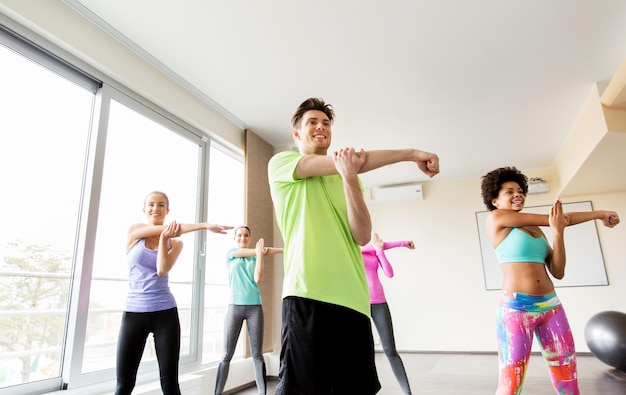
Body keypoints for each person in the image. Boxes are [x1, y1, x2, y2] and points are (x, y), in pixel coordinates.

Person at [268, 97, 440, 394]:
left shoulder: (349, 177)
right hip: (308, 293)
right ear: (297, 134)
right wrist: (412, 153)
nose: (321, 127)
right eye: (312, 122)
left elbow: (362, 235)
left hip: (354, 300)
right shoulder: (282, 163)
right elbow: (351, 161)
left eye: (326, 123)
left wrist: (349, 177)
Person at [480, 167, 620, 395]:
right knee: (511, 383)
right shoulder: (497, 218)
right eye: (509, 191)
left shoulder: (538, 229)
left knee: (568, 377)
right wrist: (600, 214)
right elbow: (558, 219)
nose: (518, 194)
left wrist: (558, 233)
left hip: (551, 307)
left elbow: (558, 271)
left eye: (520, 190)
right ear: (495, 200)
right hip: (516, 310)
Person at [115, 191, 233, 395]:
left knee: (169, 384)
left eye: (161, 205)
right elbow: (171, 230)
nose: (155, 208)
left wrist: (164, 239)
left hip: (165, 313)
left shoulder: (176, 242)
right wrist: (204, 225)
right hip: (133, 313)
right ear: (144, 209)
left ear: (167, 210)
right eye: (151, 204)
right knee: (124, 385)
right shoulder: (135, 231)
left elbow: (161, 269)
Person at [214, 225, 283, 395]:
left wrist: (274, 252)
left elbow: (258, 278)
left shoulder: (255, 257)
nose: (242, 238)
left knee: (257, 355)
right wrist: (260, 251)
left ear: (250, 238)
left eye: (246, 235)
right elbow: (257, 251)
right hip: (234, 308)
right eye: (239, 235)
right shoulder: (231, 253)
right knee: (226, 355)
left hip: (254, 308)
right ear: (235, 238)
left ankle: (262, 393)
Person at [361, 232, 415, 394]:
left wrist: (380, 251)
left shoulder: (374, 251)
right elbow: (380, 244)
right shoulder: (354, 249)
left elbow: (389, 273)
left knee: (390, 350)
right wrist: (403, 242)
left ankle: (408, 393)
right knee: (363, 352)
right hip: (359, 304)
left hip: (379, 302)